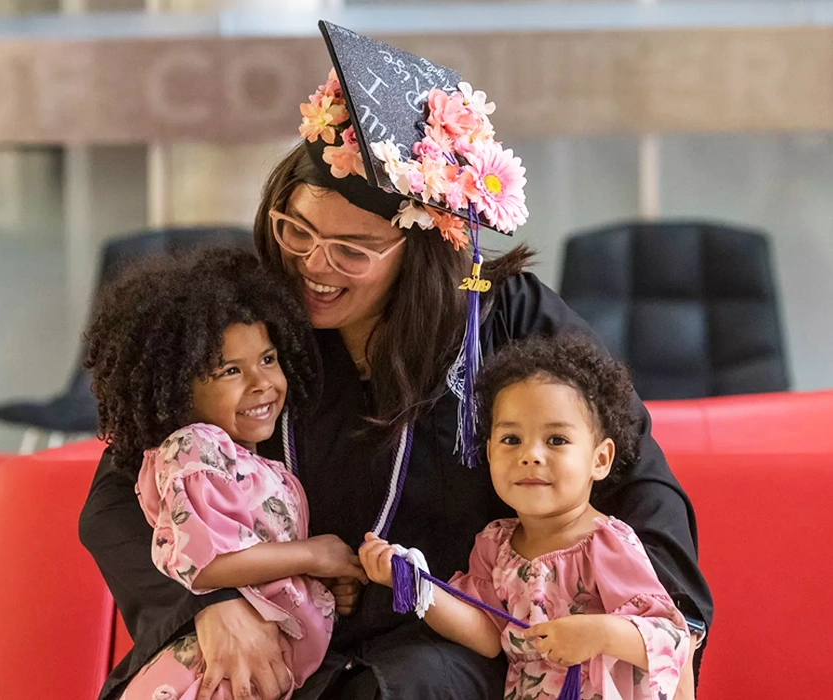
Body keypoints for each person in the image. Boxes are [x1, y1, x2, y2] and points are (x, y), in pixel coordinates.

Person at [80, 23, 712, 700]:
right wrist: (211, 606)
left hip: (447, 638)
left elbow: (634, 478)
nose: (313, 268)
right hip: (274, 628)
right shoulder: (254, 320)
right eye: (295, 231)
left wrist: (666, 636)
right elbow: (118, 496)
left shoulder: (500, 318)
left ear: (420, 248)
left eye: (352, 250)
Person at [83, 249, 367, 700]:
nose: (261, 383)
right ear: (179, 389)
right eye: (230, 371)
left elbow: (254, 550)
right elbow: (208, 564)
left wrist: (317, 589)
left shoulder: (241, 461)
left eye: (269, 359)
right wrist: (312, 556)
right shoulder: (195, 451)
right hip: (211, 675)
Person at [359, 334, 691, 700]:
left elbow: (670, 636)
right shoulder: (494, 545)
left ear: (599, 459)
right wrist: (412, 582)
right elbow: (486, 634)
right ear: (488, 452)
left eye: (556, 440)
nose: (530, 455)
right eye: (511, 440)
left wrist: (599, 633)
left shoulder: (606, 544)